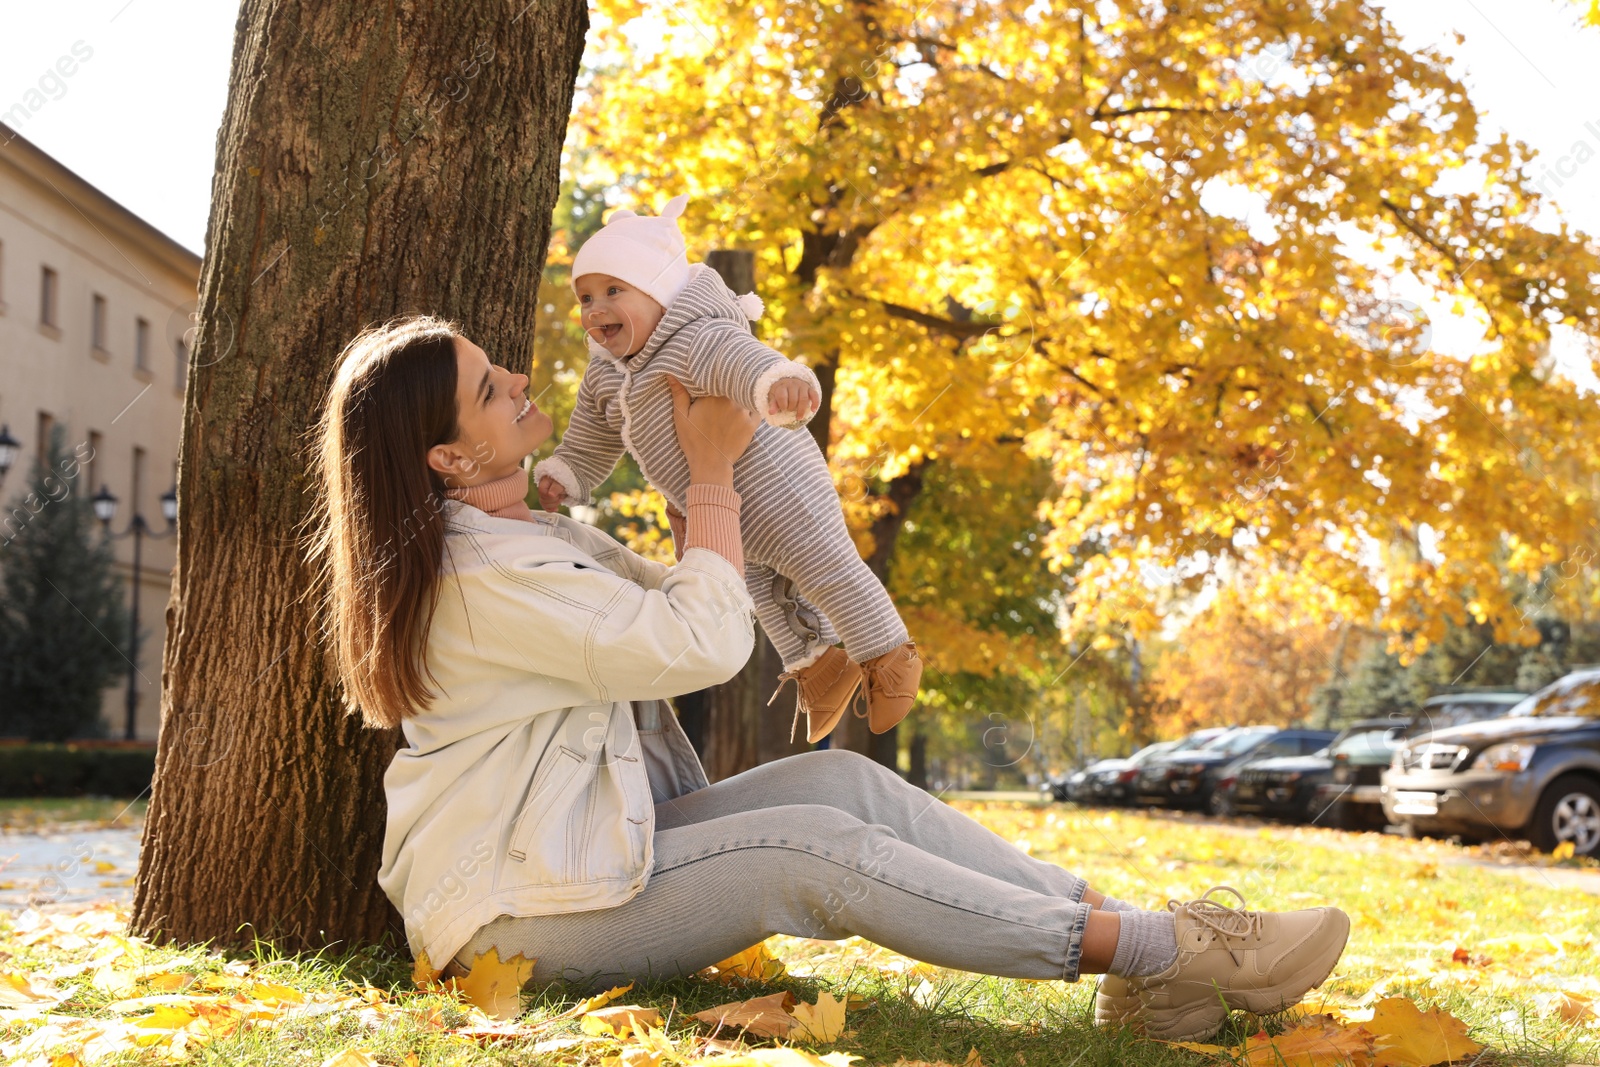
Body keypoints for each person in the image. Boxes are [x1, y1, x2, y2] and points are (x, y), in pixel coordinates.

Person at [306, 314, 1351, 1044]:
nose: (522, 381)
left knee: (846, 788)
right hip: (512, 915)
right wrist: (710, 472)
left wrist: (710, 474)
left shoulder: (521, 538)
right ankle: (1169, 947)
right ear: (446, 457)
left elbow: (687, 593)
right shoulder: (479, 576)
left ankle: (1152, 973)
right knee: (815, 851)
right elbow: (701, 642)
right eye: (491, 388)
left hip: (577, 855)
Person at [532, 193, 920, 745]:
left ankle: (890, 656)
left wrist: (778, 382)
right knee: (757, 588)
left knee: (822, 565)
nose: (595, 309)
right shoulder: (608, 375)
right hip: (718, 504)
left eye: (614, 291)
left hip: (777, 484)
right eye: (585, 297)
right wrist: (571, 471)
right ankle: (822, 669)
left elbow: (745, 361)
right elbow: (592, 433)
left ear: (661, 292)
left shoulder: (695, 338)